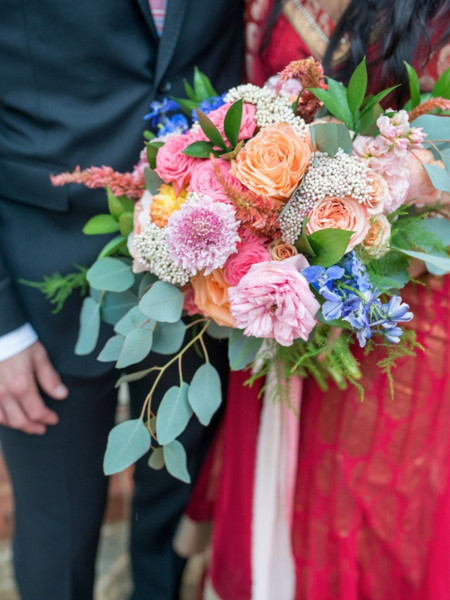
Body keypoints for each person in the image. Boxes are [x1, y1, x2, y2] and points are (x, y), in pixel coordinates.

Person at [176, 1, 450, 599]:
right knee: (278, 482)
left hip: (399, 312)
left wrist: (380, 187)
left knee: (365, 502)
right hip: (282, 296)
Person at [0, 2, 244, 599]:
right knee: (59, 533)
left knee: (169, 513)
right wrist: (2, 331)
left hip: (205, 272)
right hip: (43, 278)